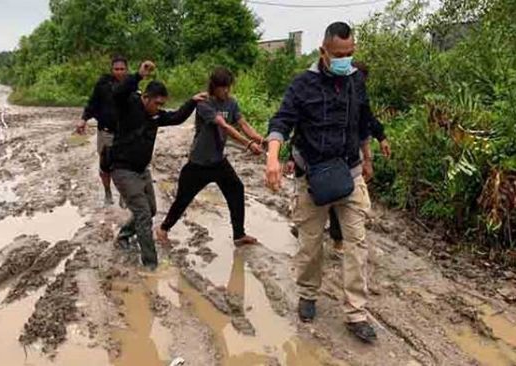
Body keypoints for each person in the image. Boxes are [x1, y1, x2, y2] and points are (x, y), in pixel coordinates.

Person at [265, 22, 377, 343]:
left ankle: (356, 312)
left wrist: (367, 157)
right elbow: (282, 120)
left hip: (350, 173)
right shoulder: (303, 84)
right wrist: (273, 156)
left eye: (351, 53)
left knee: (356, 244)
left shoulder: (356, 80)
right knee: (311, 243)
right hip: (312, 175)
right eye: (339, 54)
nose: (346, 59)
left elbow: (363, 121)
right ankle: (308, 294)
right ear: (323, 52)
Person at [109, 60, 208, 270]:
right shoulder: (129, 106)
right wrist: (138, 75)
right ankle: (150, 264)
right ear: (145, 98)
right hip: (122, 170)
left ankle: (124, 236)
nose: (159, 108)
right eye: (156, 103)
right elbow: (117, 94)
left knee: (151, 210)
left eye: (162, 104)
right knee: (144, 214)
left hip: (141, 171)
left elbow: (177, 118)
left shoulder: (156, 116)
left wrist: (192, 101)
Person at [286, 61, 392, 251]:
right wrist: (290, 158)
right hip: (313, 164)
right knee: (313, 202)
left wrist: (378, 141)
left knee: (339, 197)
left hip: (343, 164)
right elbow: (298, 128)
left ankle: (337, 239)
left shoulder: (355, 98)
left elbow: (366, 123)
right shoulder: (314, 91)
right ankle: (306, 228)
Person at [156, 67, 264, 247]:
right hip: (198, 163)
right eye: (223, 87)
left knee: (236, 190)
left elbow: (242, 124)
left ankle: (239, 235)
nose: (227, 91)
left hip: (218, 162)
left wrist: (260, 139)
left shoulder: (231, 103)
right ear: (214, 87)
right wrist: (248, 144)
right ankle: (163, 229)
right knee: (183, 199)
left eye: (229, 87)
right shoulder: (204, 103)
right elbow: (224, 127)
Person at [76, 56, 129, 206]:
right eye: (116, 69)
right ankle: (107, 192)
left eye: (122, 69)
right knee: (105, 166)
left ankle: (123, 194)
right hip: (105, 132)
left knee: (124, 167)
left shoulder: (132, 86)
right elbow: (92, 103)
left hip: (125, 135)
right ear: (112, 70)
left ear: (127, 70)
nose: (119, 72)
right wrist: (83, 119)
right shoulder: (103, 85)